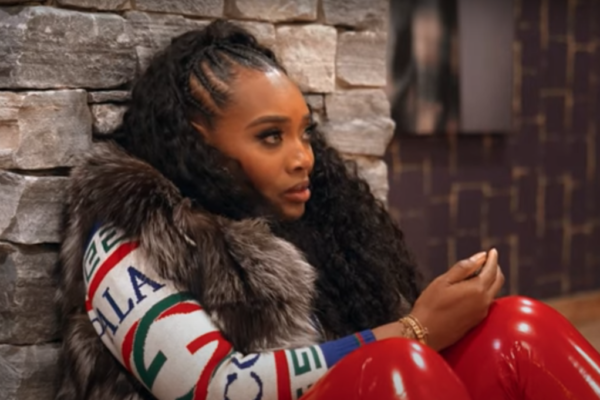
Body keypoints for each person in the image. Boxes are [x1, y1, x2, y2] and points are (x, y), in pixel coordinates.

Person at [55, 20, 600, 400]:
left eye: (304, 133)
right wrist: (416, 329)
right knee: (394, 366)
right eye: (271, 137)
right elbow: (212, 385)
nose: (304, 158)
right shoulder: (128, 227)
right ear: (195, 142)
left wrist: (434, 326)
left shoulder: (304, 217)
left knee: (516, 327)